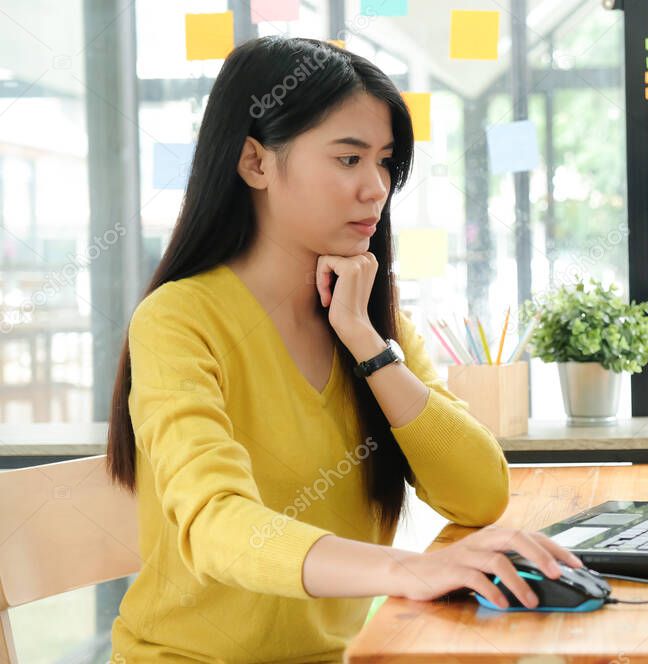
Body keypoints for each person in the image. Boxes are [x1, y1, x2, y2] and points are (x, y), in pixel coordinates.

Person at [105, 36, 581, 662]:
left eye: (385, 162)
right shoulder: (178, 320)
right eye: (349, 159)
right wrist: (406, 570)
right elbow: (215, 523)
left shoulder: (370, 321)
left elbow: (478, 494)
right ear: (255, 162)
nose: (377, 187)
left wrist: (366, 343)